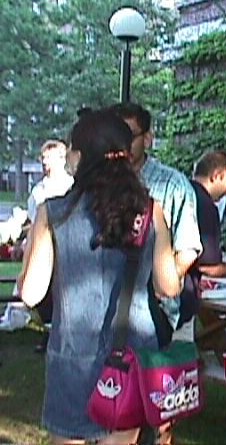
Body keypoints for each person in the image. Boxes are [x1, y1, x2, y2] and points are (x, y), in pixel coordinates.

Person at [18, 109, 180, 445]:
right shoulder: (151, 212)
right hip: (131, 354)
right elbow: (168, 286)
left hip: (72, 355)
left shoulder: (53, 212)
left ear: (80, 156)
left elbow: (31, 293)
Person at [109, 102, 202, 333]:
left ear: (147, 139)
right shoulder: (103, 183)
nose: (122, 145)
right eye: (115, 137)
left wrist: (161, 287)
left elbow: (188, 248)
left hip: (152, 310)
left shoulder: (173, 185)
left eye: (129, 136)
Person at [180, 150, 226, 334]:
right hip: (180, 294)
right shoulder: (205, 205)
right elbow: (208, 265)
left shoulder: (179, 193)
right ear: (216, 176)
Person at [24, 139, 74, 352]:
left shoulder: (71, 187)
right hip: (43, 248)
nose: (44, 162)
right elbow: (32, 222)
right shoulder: (38, 191)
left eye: (48, 157)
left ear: (62, 158)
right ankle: (49, 333)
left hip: (67, 248)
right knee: (43, 295)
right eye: (42, 158)